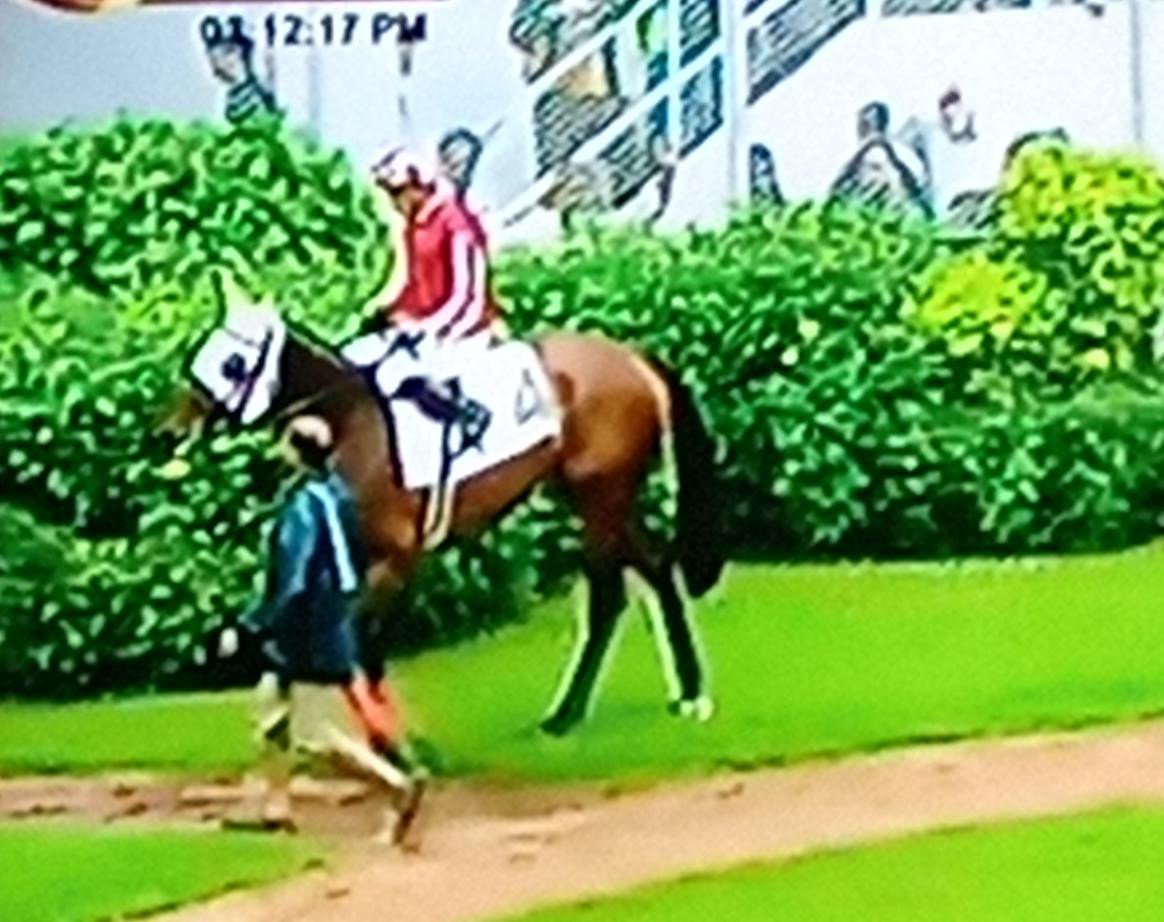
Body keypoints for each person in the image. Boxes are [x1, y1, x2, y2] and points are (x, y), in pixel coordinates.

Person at [218, 415, 425, 840]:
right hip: (332, 616)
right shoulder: (338, 495)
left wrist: (254, 624)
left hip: (308, 627)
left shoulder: (303, 508)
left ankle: (396, 784)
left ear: (295, 451)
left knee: (314, 737)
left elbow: (294, 578)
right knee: (271, 715)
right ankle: (276, 807)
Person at [201, 20, 278, 125]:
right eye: (217, 59)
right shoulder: (229, 100)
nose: (226, 62)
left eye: (229, 52)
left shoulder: (261, 85)